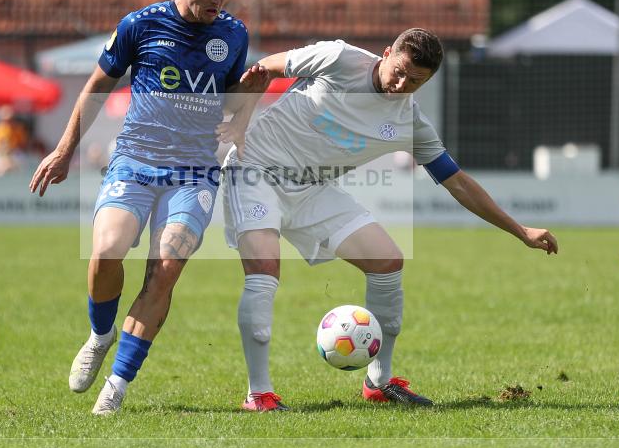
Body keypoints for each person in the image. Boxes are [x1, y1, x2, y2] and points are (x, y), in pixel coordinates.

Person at [218, 29, 559, 411]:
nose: (401, 85)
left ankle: (379, 383)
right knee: (265, 270)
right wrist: (241, 121)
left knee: (387, 261)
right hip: (255, 171)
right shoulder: (339, 58)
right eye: (399, 71)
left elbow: (459, 183)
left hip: (312, 190)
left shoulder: (409, 121)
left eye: (416, 81)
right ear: (385, 54)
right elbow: (263, 68)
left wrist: (521, 230)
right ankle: (259, 394)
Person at [29, 0, 266, 416]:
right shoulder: (141, 24)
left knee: (165, 270)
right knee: (106, 253)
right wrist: (64, 150)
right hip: (135, 162)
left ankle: (116, 384)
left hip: (195, 173)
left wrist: (242, 113)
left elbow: (232, 97)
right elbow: (97, 85)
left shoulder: (233, 35)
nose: (217, 2)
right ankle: (100, 335)